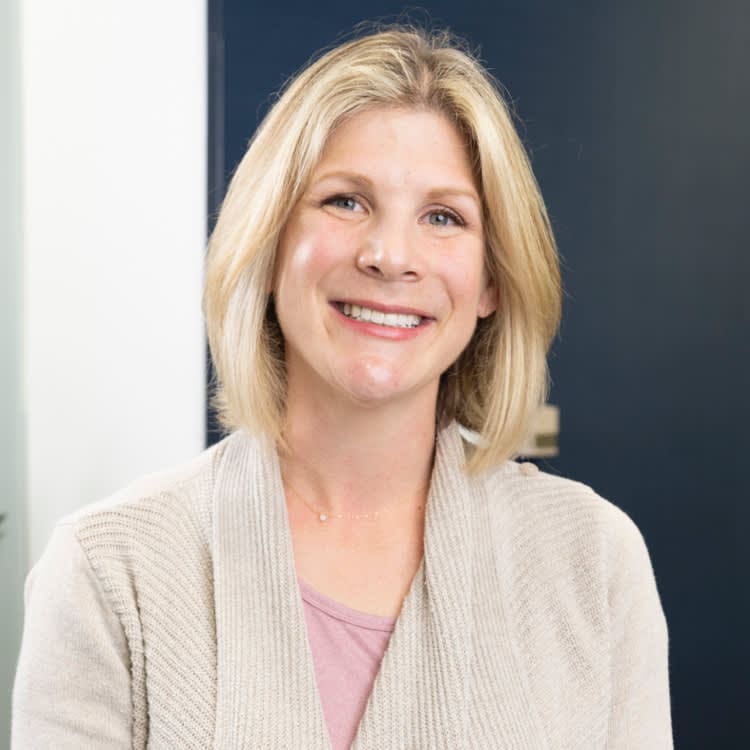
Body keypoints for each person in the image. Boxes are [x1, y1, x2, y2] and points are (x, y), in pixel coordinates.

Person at [12, 26, 673, 749]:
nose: (390, 256)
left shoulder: (594, 560)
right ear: (269, 246)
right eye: (345, 202)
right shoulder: (110, 574)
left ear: (491, 280)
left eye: (443, 217)